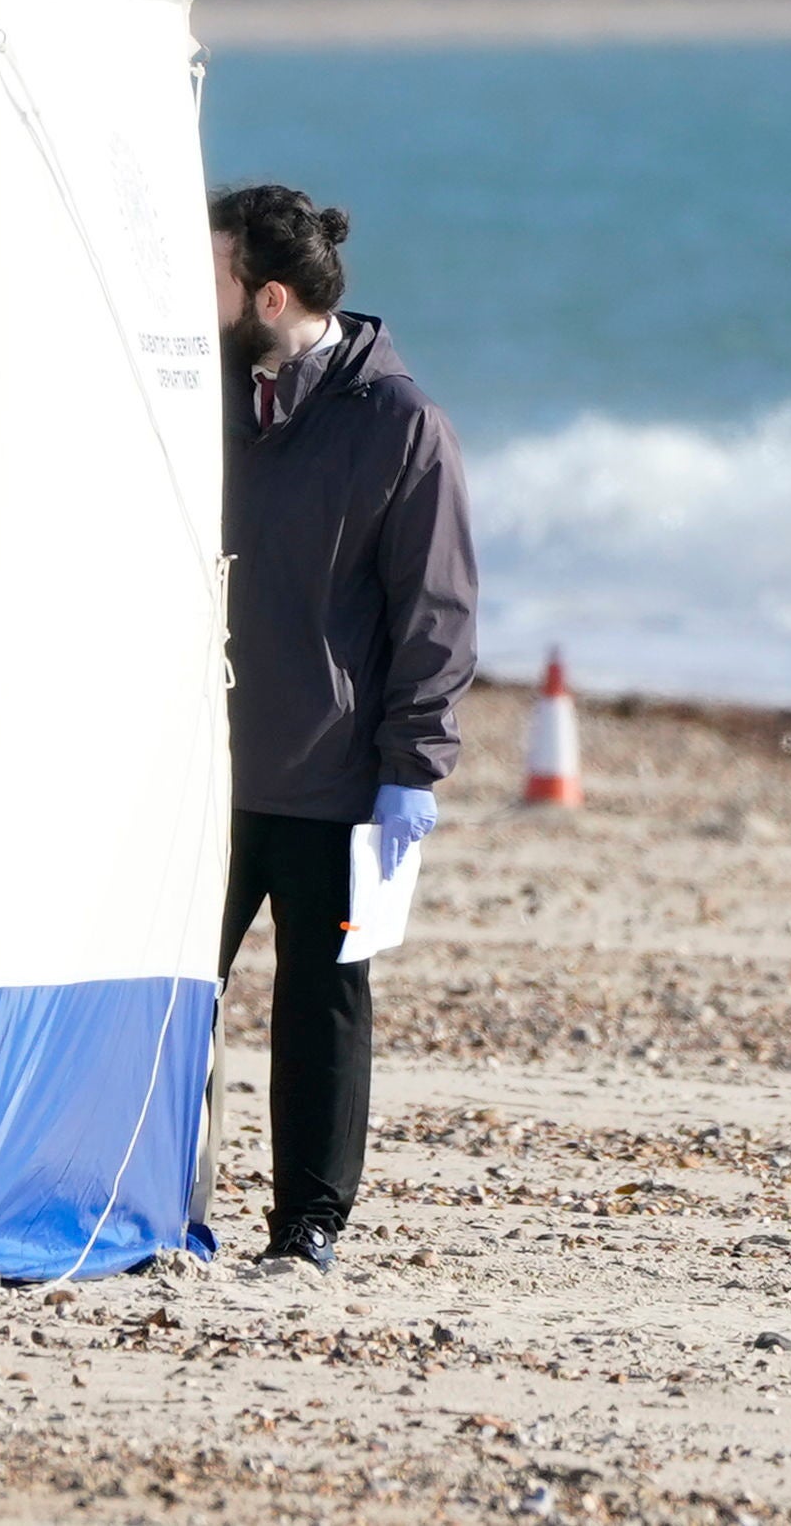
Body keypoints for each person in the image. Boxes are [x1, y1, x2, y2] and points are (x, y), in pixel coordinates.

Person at [209, 184, 477, 1272]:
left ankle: (305, 1226)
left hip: (334, 780)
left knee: (321, 1009)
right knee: (164, 998)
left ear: (267, 295)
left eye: (212, 272)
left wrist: (412, 768)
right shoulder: (193, 395)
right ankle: (125, 1200)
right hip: (195, 771)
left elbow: (436, 610)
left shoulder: (399, 424)